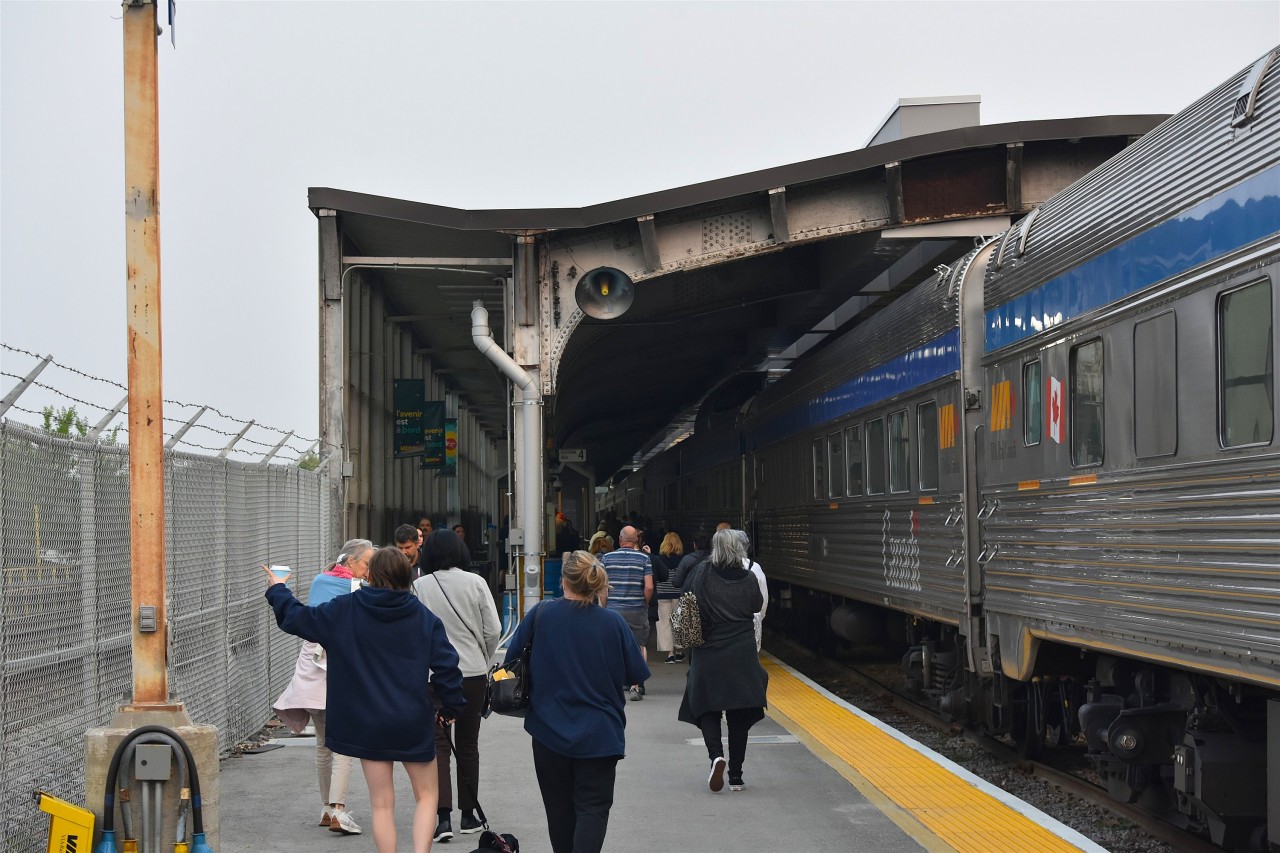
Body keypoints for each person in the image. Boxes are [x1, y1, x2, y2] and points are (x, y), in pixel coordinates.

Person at [264, 547, 466, 853]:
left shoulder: (344, 609)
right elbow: (447, 668)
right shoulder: (424, 618)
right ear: (408, 576)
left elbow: (297, 618)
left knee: (382, 804)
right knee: (427, 797)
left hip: (366, 721)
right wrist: (450, 707)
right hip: (411, 719)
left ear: (370, 575)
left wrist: (278, 589)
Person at [502, 550, 650, 853]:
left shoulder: (541, 614)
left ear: (562, 580)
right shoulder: (613, 623)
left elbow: (510, 662)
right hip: (600, 734)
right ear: (595, 584)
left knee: (559, 811)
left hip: (548, 731)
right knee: (593, 809)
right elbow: (636, 672)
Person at [272, 539, 374, 836]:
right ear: (352, 562)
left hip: (312, 670)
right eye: (367, 563)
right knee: (344, 743)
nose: (370, 570)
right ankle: (339, 809)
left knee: (322, 743)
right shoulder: (357, 590)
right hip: (338, 669)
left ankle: (328, 808)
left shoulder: (321, 580)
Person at [412, 529, 501, 843]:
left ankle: (442, 818)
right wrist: (482, 658)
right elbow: (494, 628)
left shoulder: (420, 585)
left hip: (434, 676)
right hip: (472, 675)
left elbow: (414, 630)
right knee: (467, 744)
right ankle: (468, 815)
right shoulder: (475, 583)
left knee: (438, 746)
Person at [677, 528, 768, 794]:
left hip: (708, 648)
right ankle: (736, 776)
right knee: (739, 712)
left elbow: (687, 599)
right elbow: (756, 604)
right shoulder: (749, 577)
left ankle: (716, 756)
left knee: (706, 705)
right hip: (742, 650)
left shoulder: (702, 573)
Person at [600, 525, 653, 701]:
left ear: (620, 540)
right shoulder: (644, 559)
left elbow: (602, 587)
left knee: (613, 647)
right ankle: (636, 686)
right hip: (636, 608)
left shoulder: (606, 558)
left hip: (613, 610)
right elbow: (649, 586)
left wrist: (604, 605)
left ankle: (612, 685)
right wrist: (645, 603)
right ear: (636, 540)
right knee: (639, 646)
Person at [732, 529, 769, 652]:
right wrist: (758, 617)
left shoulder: (719, 566)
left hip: (728, 625)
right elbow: (763, 599)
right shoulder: (755, 568)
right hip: (751, 622)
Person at [653, 532, 685, 663]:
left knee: (664, 623)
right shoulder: (683, 559)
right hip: (678, 593)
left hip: (663, 594)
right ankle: (679, 650)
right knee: (678, 622)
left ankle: (670, 654)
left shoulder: (658, 559)